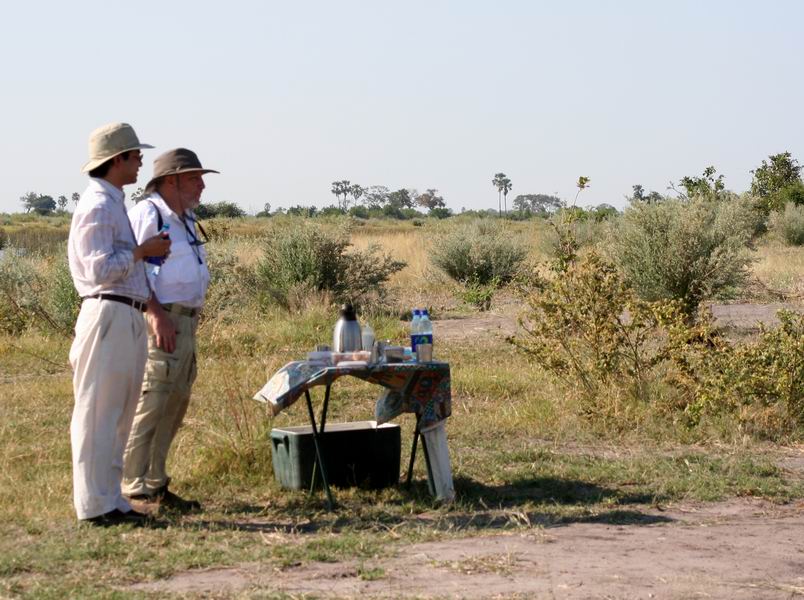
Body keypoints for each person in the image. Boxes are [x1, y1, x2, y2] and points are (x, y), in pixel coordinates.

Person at [68, 122, 171, 526]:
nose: (140, 159)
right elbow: (97, 270)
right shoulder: (96, 204)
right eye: (134, 154)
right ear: (116, 161)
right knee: (98, 413)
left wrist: (144, 255)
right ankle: (94, 506)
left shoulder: (112, 201)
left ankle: (112, 499)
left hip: (125, 311)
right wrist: (142, 252)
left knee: (121, 411)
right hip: (107, 310)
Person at [122, 148, 218, 511]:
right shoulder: (148, 214)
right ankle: (134, 486)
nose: (202, 185)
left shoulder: (185, 218)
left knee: (174, 403)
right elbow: (133, 270)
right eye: (194, 178)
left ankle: (155, 482)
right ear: (171, 181)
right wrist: (156, 313)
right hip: (161, 320)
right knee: (152, 401)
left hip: (185, 321)